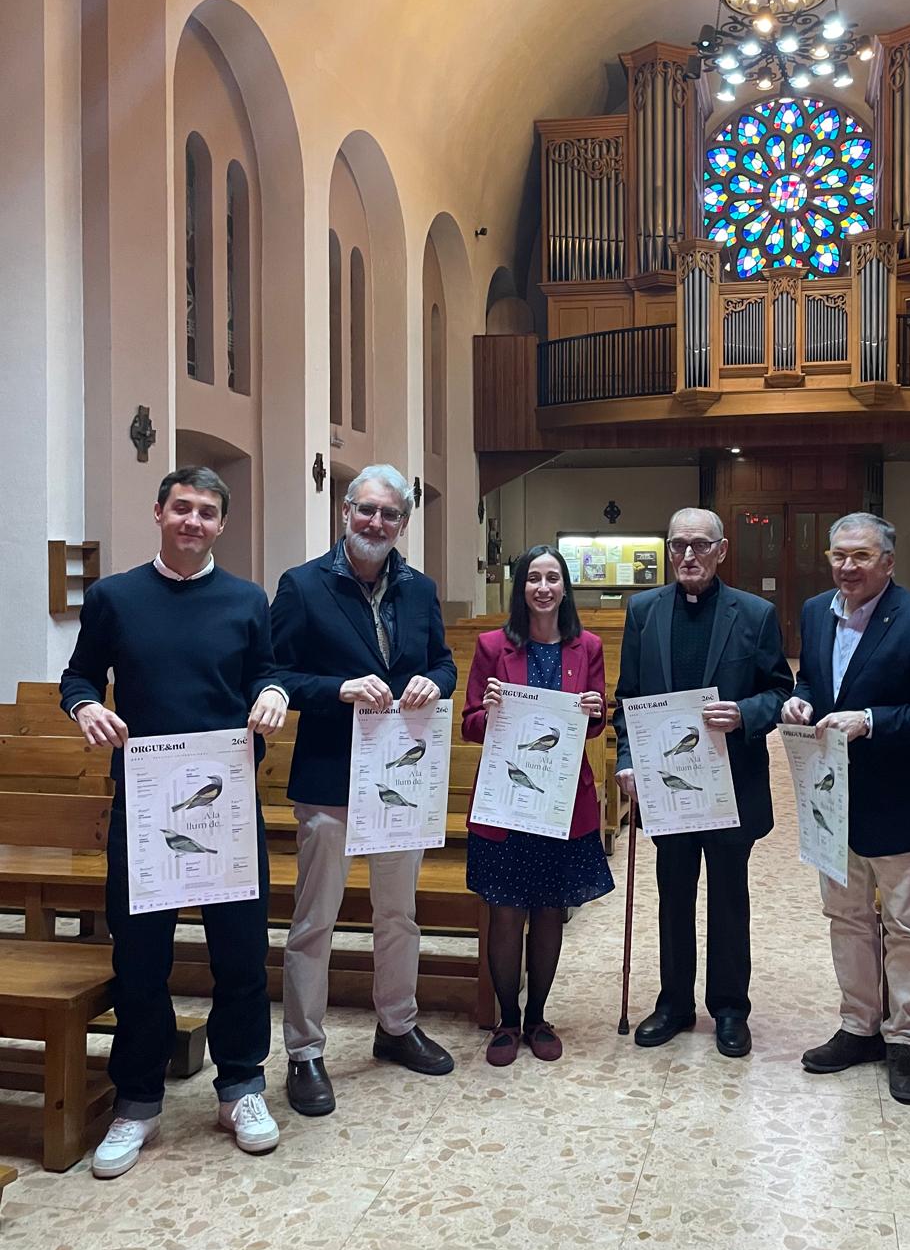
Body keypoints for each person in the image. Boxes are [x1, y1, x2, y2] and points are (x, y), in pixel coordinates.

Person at [60, 466, 288, 1178]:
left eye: (208, 512)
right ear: (158, 512)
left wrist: (274, 693)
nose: (194, 520)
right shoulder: (114, 598)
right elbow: (79, 677)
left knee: (241, 953)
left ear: (222, 524)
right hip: (146, 800)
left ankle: (241, 1086)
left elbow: (268, 671)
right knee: (140, 958)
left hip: (224, 804)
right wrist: (85, 708)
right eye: (182, 507)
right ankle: (136, 1100)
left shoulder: (249, 601)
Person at [270, 465, 457, 1116]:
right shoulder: (302, 585)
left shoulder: (420, 588)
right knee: (314, 920)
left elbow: (443, 662)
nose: (377, 523)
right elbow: (273, 676)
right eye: (366, 511)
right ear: (345, 511)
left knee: (397, 913)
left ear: (403, 523)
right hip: (328, 778)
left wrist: (437, 682)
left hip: (398, 779)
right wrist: (338, 690)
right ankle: (304, 1051)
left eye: (391, 515)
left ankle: (397, 1026)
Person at [783, 513, 910, 1104]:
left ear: (888, 561)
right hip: (831, 799)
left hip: (897, 799)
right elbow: (812, 681)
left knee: (908, 926)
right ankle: (859, 1027)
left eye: (861, 556)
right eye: (839, 555)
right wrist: (800, 704)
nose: (847, 567)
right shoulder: (815, 611)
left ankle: (904, 1039)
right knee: (847, 917)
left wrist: (872, 721)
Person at [614, 507, 792, 1058]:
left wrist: (744, 713)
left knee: (730, 898)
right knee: (673, 894)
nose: (687, 556)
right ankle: (673, 1003)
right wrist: (626, 759)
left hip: (731, 782)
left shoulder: (755, 614)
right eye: (677, 546)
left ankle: (731, 1008)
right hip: (669, 785)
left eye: (699, 545)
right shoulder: (643, 611)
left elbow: (782, 692)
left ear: (722, 550)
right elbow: (627, 698)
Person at [461, 546, 612, 1064]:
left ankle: (538, 1016)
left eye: (552, 578)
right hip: (507, 797)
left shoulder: (587, 647)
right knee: (505, 913)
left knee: (549, 910)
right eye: (533, 578)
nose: (543, 587)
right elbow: (470, 725)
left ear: (565, 587)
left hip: (563, 799)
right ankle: (506, 1020)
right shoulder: (491, 646)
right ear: (520, 587)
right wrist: (492, 709)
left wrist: (595, 711)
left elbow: (593, 722)